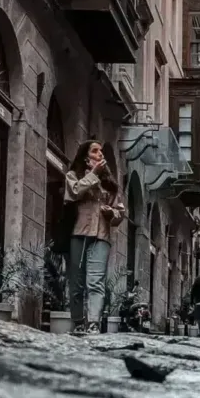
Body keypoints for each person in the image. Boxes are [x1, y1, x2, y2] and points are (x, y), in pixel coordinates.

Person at [65, 140, 124, 333]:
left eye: (101, 151)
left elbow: (120, 212)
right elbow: (74, 193)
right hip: (79, 233)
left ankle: (93, 323)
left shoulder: (111, 185)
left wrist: (112, 214)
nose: (100, 154)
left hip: (101, 236)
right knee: (77, 282)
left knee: (96, 282)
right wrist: (94, 175)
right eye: (95, 151)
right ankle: (78, 321)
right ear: (86, 157)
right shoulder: (73, 176)